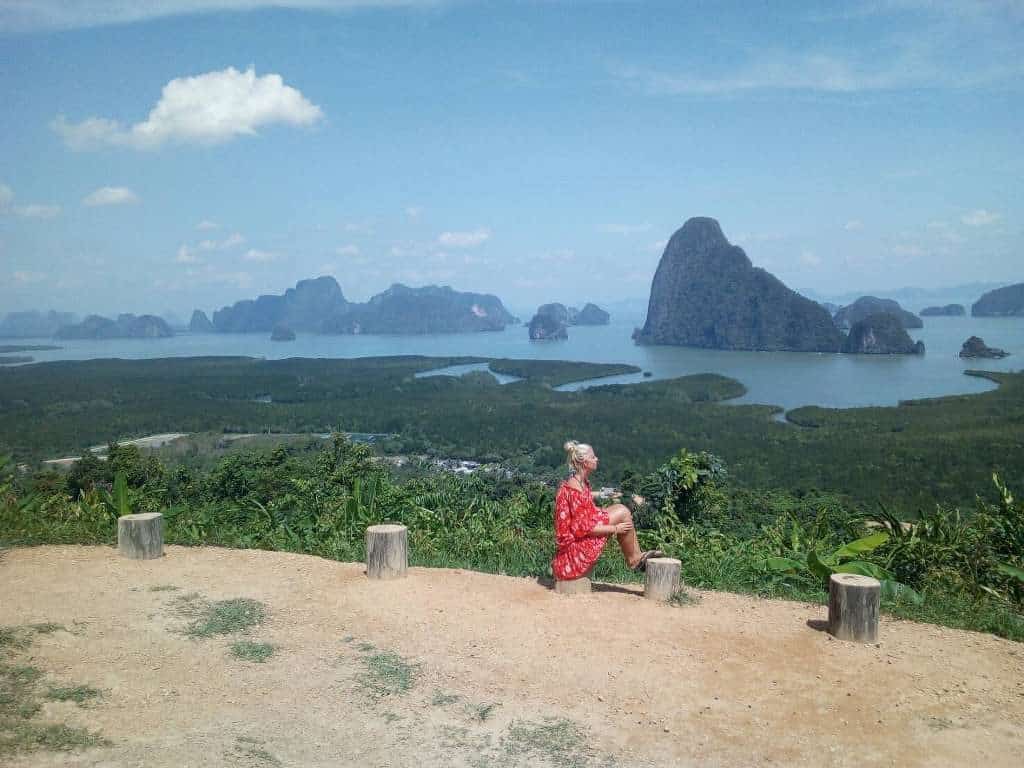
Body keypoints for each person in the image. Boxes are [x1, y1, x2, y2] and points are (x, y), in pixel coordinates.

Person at [552, 440, 663, 582]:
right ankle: (634, 559)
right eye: (593, 457)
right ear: (585, 462)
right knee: (623, 512)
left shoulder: (579, 481)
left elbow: (585, 497)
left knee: (621, 509)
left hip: (578, 537)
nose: (596, 459)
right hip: (575, 549)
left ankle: (636, 555)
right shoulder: (576, 487)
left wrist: (604, 494)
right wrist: (614, 528)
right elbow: (583, 529)